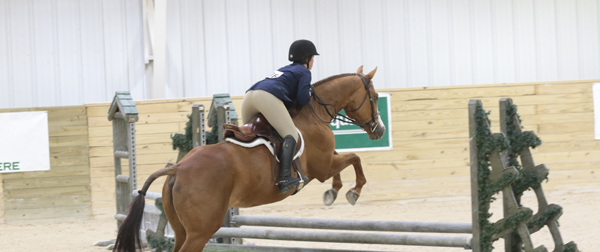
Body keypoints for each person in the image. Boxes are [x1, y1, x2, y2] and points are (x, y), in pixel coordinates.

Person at [242, 39, 319, 194]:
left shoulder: (285, 69)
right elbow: (304, 99)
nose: (313, 62)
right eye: (313, 59)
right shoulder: (304, 72)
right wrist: (310, 91)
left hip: (249, 97)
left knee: (249, 138)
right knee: (291, 134)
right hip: (266, 97)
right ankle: (284, 178)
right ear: (308, 59)